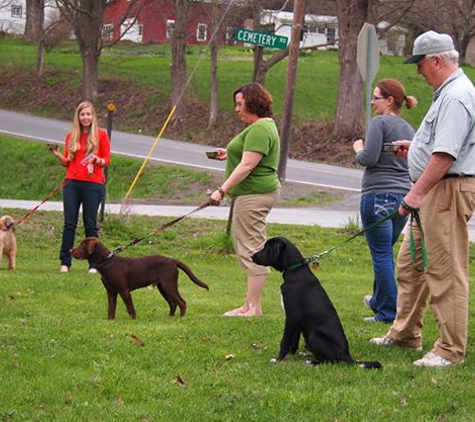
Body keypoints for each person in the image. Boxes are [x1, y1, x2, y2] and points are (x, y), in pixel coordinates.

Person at [370, 30, 475, 367]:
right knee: (410, 265)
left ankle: (449, 350)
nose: (417, 71)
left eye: (420, 64)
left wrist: (414, 194)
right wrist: (414, 149)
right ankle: (404, 334)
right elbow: (437, 146)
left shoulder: (457, 96)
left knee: (445, 270)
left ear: (437, 60)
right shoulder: (445, 94)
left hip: (445, 190)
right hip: (435, 190)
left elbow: (446, 156)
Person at [208, 82, 281, 317]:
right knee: (249, 246)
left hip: (254, 195)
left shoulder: (260, 128)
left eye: (240, 104)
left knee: (254, 248)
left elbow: (248, 165)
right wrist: (229, 154)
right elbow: (249, 156)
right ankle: (248, 304)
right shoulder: (259, 127)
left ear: (252, 102)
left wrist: (221, 190)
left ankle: (255, 308)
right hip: (250, 194)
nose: (237, 109)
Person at [352, 79, 417, 323]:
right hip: (402, 198)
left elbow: (368, 158)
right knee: (385, 253)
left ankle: (387, 312)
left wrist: (358, 148)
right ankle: (379, 301)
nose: (372, 102)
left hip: (377, 195)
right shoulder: (409, 129)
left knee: (381, 255)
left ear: (389, 100)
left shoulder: (379, 123)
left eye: (376, 97)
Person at [49, 101, 110, 273]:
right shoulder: (72, 135)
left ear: (93, 116)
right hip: (72, 184)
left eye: (88, 114)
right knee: (69, 223)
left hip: (93, 183)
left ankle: (94, 264)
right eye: (82, 114)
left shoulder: (101, 135)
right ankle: (65, 261)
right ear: (78, 117)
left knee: (90, 224)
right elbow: (67, 162)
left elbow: (107, 160)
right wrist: (58, 155)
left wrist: (97, 160)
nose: (85, 118)